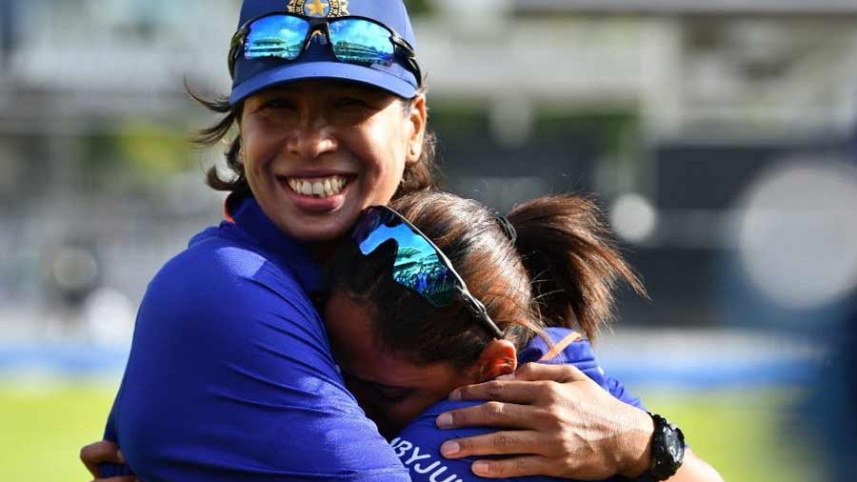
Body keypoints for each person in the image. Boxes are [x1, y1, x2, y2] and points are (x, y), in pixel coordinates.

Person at [80, 0, 720, 480]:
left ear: (414, 124)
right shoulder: (226, 290)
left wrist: (639, 442)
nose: (310, 141)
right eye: (277, 107)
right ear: (240, 130)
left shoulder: (451, 277)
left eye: (349, 105)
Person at [322, 191, 724, 481]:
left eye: (387, 394)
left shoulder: (574, 394)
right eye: (337, 373)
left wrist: (635, 441)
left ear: (493, 366)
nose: (349, 407)